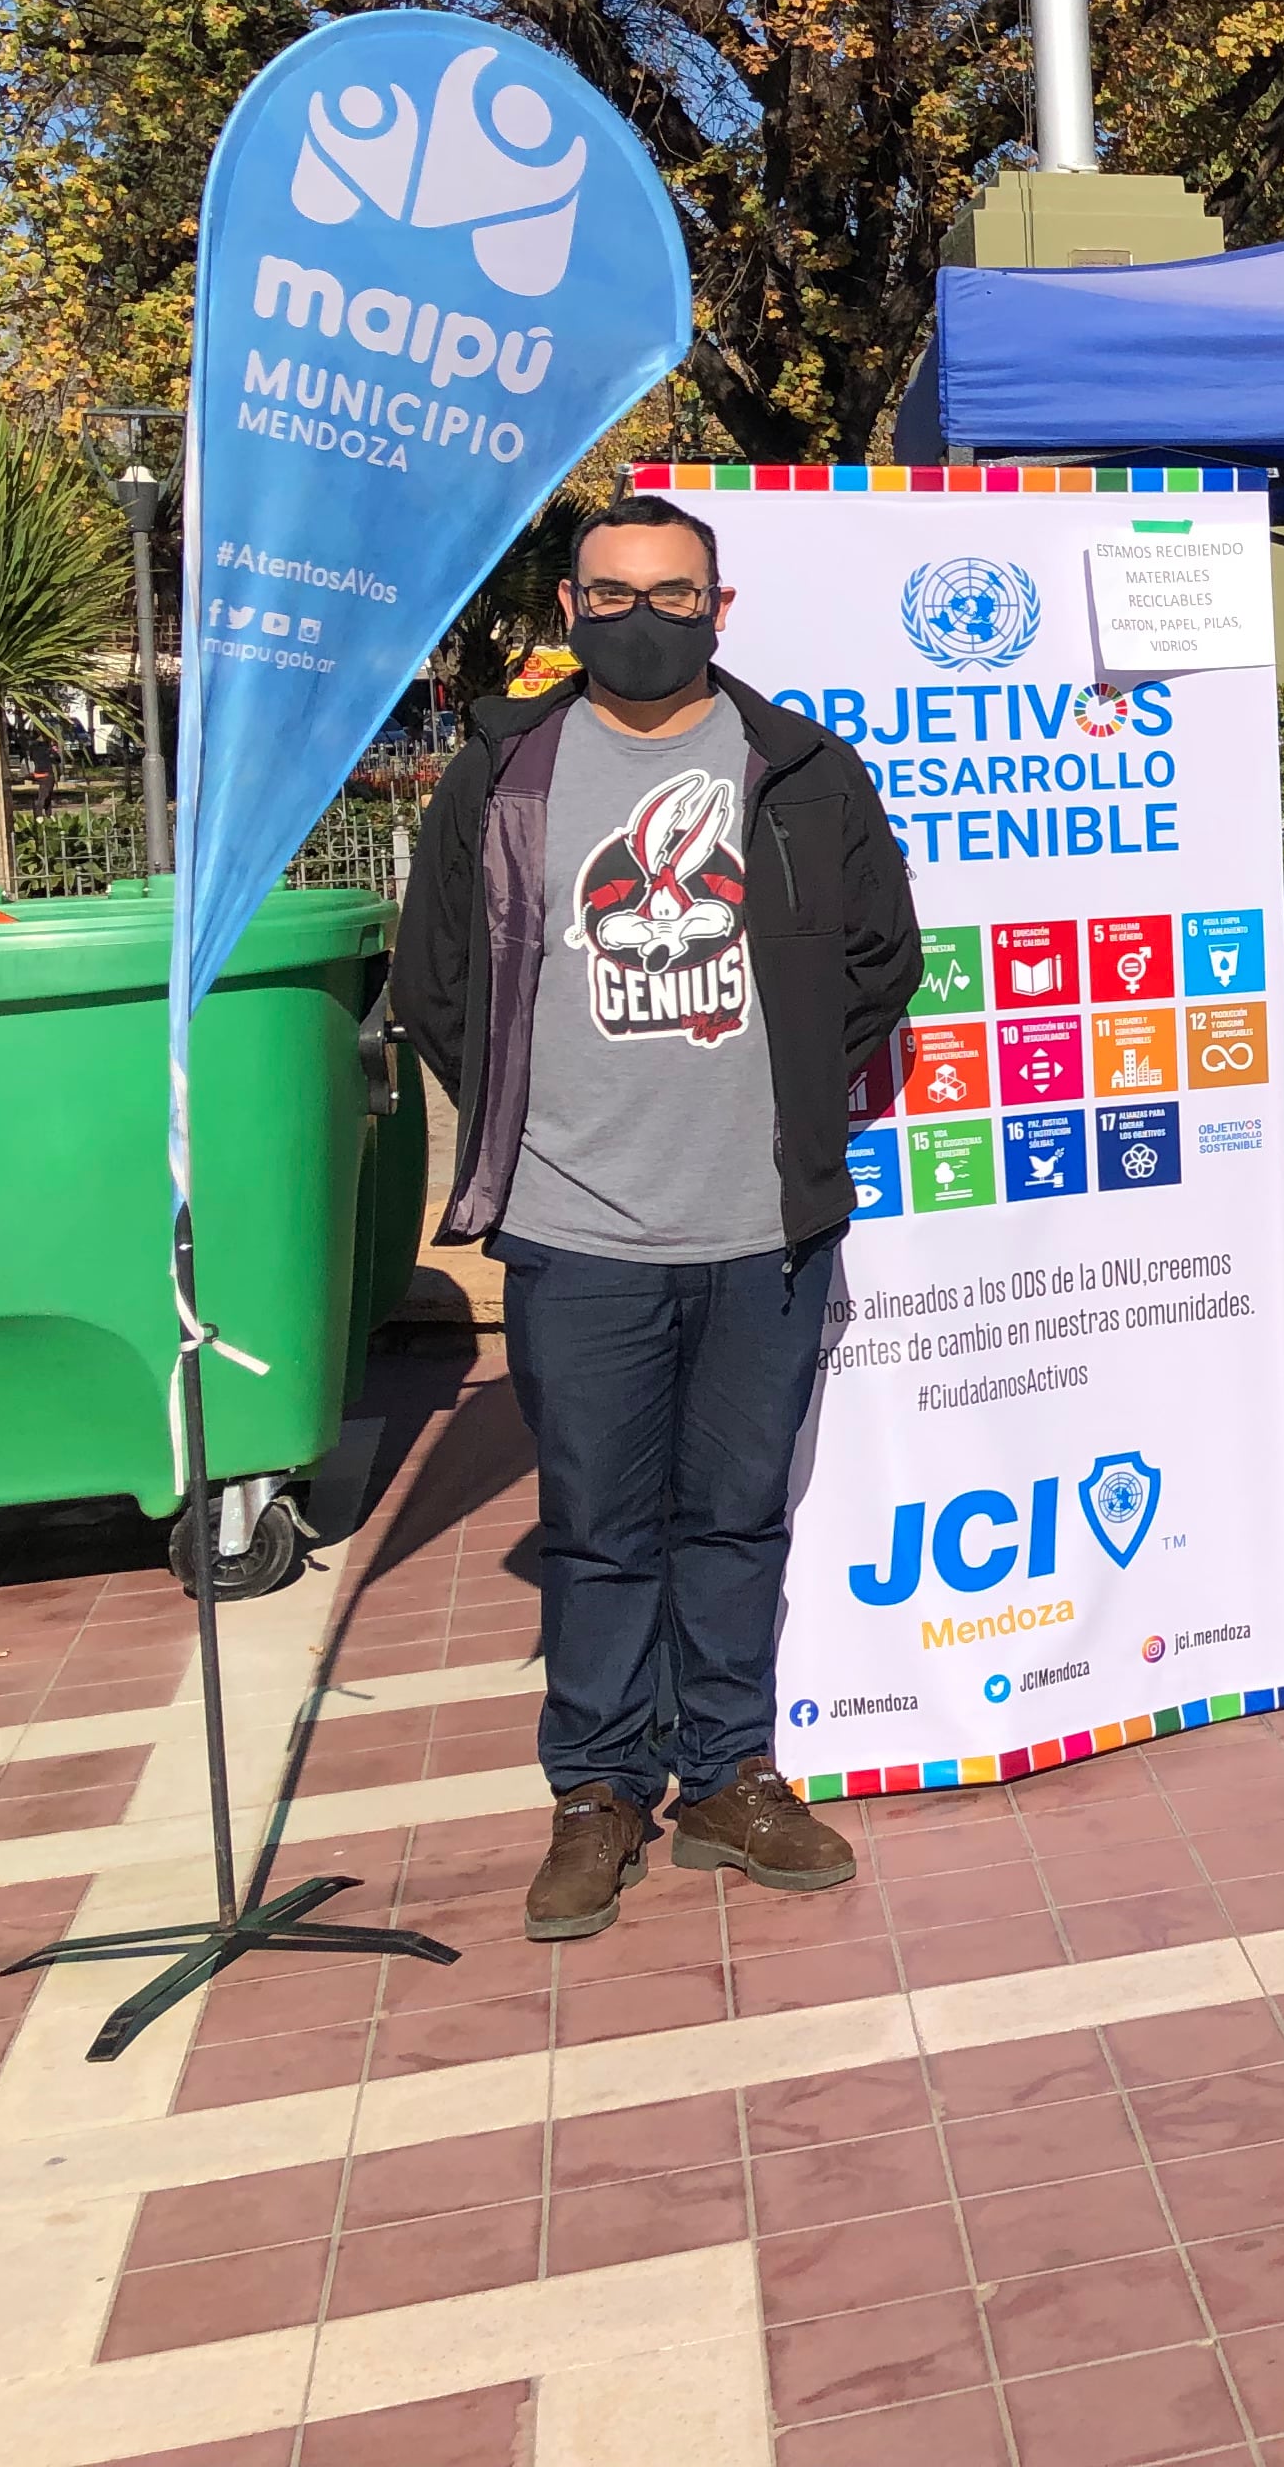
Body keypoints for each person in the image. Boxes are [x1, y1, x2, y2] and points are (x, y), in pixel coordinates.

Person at [399, 494, 920, 1937]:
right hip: (576, 1235)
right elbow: (439, 979)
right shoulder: (501, 774)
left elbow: (883, 955)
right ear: (570, 612)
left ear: (721, 608)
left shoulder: (802, 771)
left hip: (763, 1229)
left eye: (675, 595)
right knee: (602, 1527)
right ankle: (598, 1791)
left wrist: (793, 1091)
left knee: (738, 1518)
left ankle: (731, 1778)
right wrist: (535, 1116)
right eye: (615, 594)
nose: (645, 619)